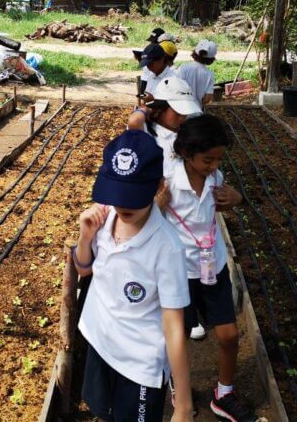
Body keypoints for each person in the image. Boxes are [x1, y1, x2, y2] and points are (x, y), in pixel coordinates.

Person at [75, 130, 193, 422]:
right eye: (118, 193)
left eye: (134, 195)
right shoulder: (103, 218)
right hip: (100, 342)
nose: (124, 205)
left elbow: (174, 327)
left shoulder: (167, 247)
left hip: (140, 363)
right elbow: (84, 269)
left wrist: (183, 405)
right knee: (102, 412)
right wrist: (85, 236)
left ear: (158, 187)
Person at [157, 115, 254, 422]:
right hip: (178, 273)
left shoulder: (216, 178)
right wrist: (158, 203)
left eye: (218, 159)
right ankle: (180, 389)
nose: (213, 166)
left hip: (213, 266)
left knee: (227, 334)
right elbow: (147, 217)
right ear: (186, 154)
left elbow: (224, 202)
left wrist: (237, 199)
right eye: (207, 159)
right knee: (180, 336)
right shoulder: (168, 180)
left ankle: (223, 394)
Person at [127, 77, 201, 179]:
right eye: (178, 112)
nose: (182, 117)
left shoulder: (186, 129)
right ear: (161, 108)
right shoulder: (147, 131)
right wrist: (145, 108)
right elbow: (133, 122)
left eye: (185, 113)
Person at [176, 39, 217, 108]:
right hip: (197, 111)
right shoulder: (210, 75)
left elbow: (176, 88)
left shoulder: (183, 68)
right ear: (211, 59)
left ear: (194, 52)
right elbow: (206, 99)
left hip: (181, 111)